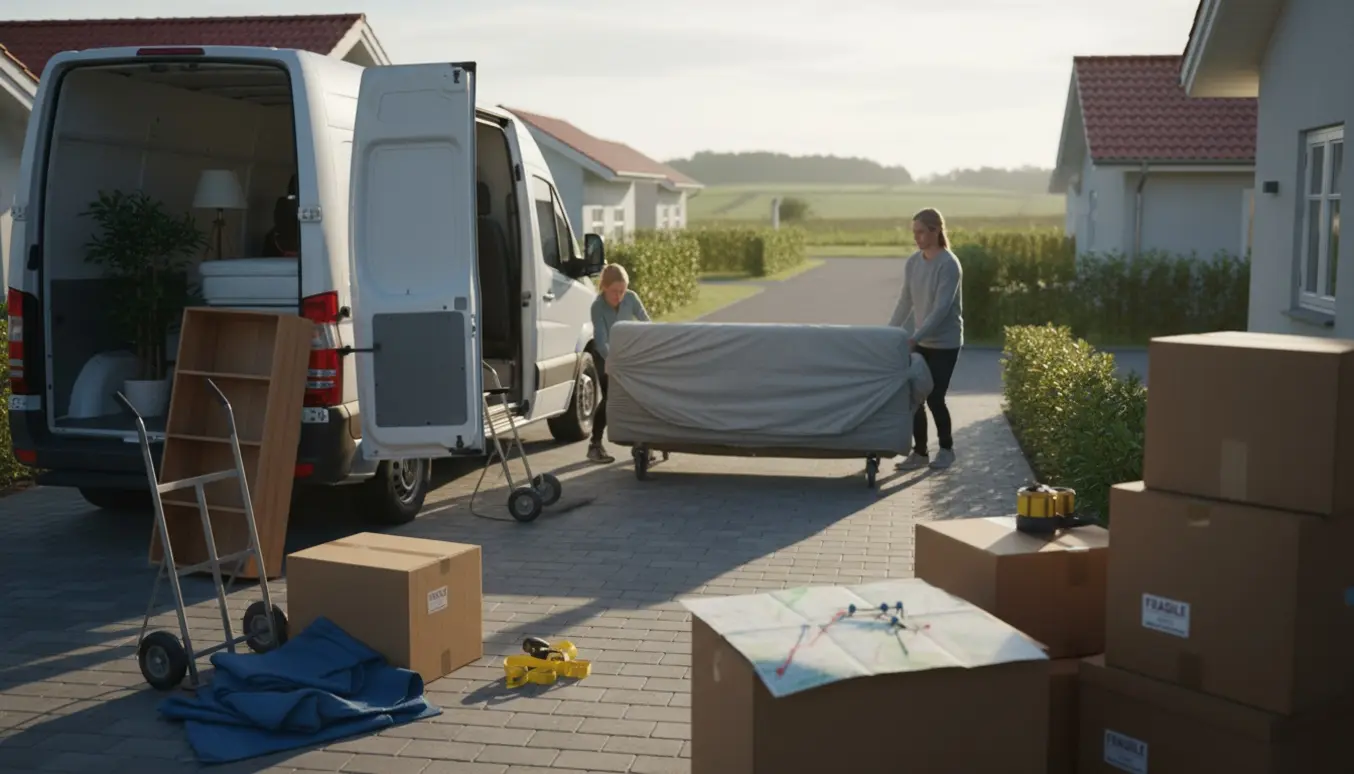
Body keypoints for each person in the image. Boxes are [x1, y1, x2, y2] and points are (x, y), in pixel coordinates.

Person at [888, 207, 964, 471]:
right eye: (914, 232)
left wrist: (915, 336)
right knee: (913, 397)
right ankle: (919, 454)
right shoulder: (913, 262)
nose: (916, 237)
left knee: (934, 397)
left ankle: (946, 450)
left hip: (945, 344)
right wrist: (889, 332)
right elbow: (905, 301)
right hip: (920, 341)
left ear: (936, 231)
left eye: (921, 232)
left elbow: (941, 309)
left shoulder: (949, 264)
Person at [588, 263, 651, 463]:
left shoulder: (631, 298)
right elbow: (601, 340)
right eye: (615, 291)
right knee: (611, 397)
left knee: (637, 395)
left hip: (627, 354)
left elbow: (646, 323)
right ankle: (595, 445)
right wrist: (614, 363)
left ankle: (640, 444)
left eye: (622, 291)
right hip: (604, 355)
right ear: (604, 287)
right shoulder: (597, 306)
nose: (619, 296)